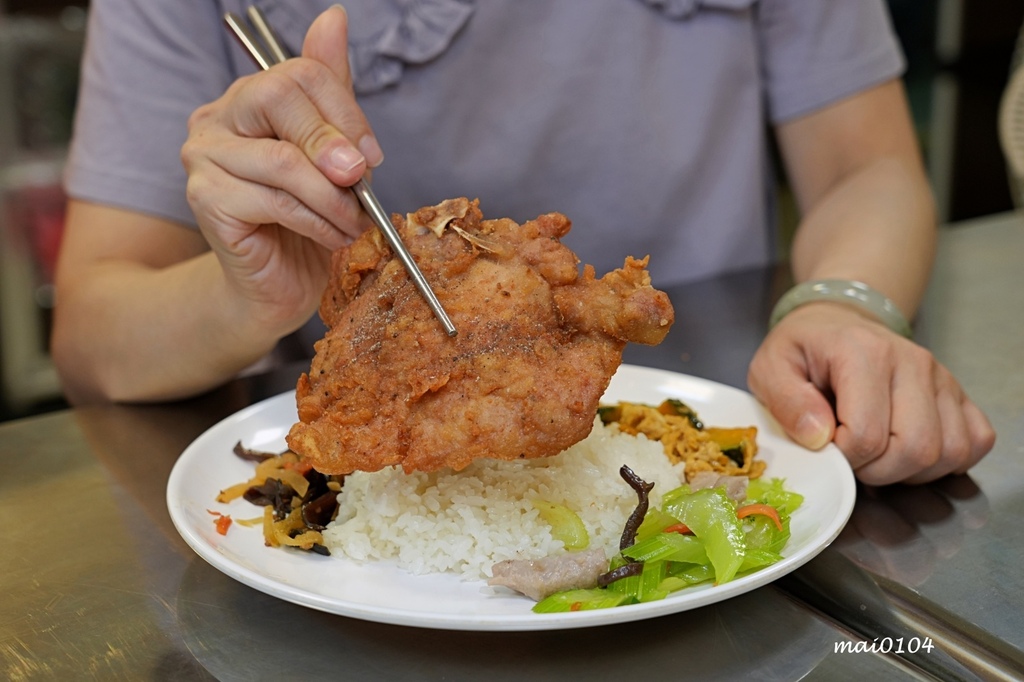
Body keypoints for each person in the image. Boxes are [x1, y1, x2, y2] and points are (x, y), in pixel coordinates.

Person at [52, 1, 994, 485]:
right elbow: (94, 330)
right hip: (359, 507)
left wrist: (843, 301)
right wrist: (245, 297)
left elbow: (863, 169)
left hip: (719, 419)